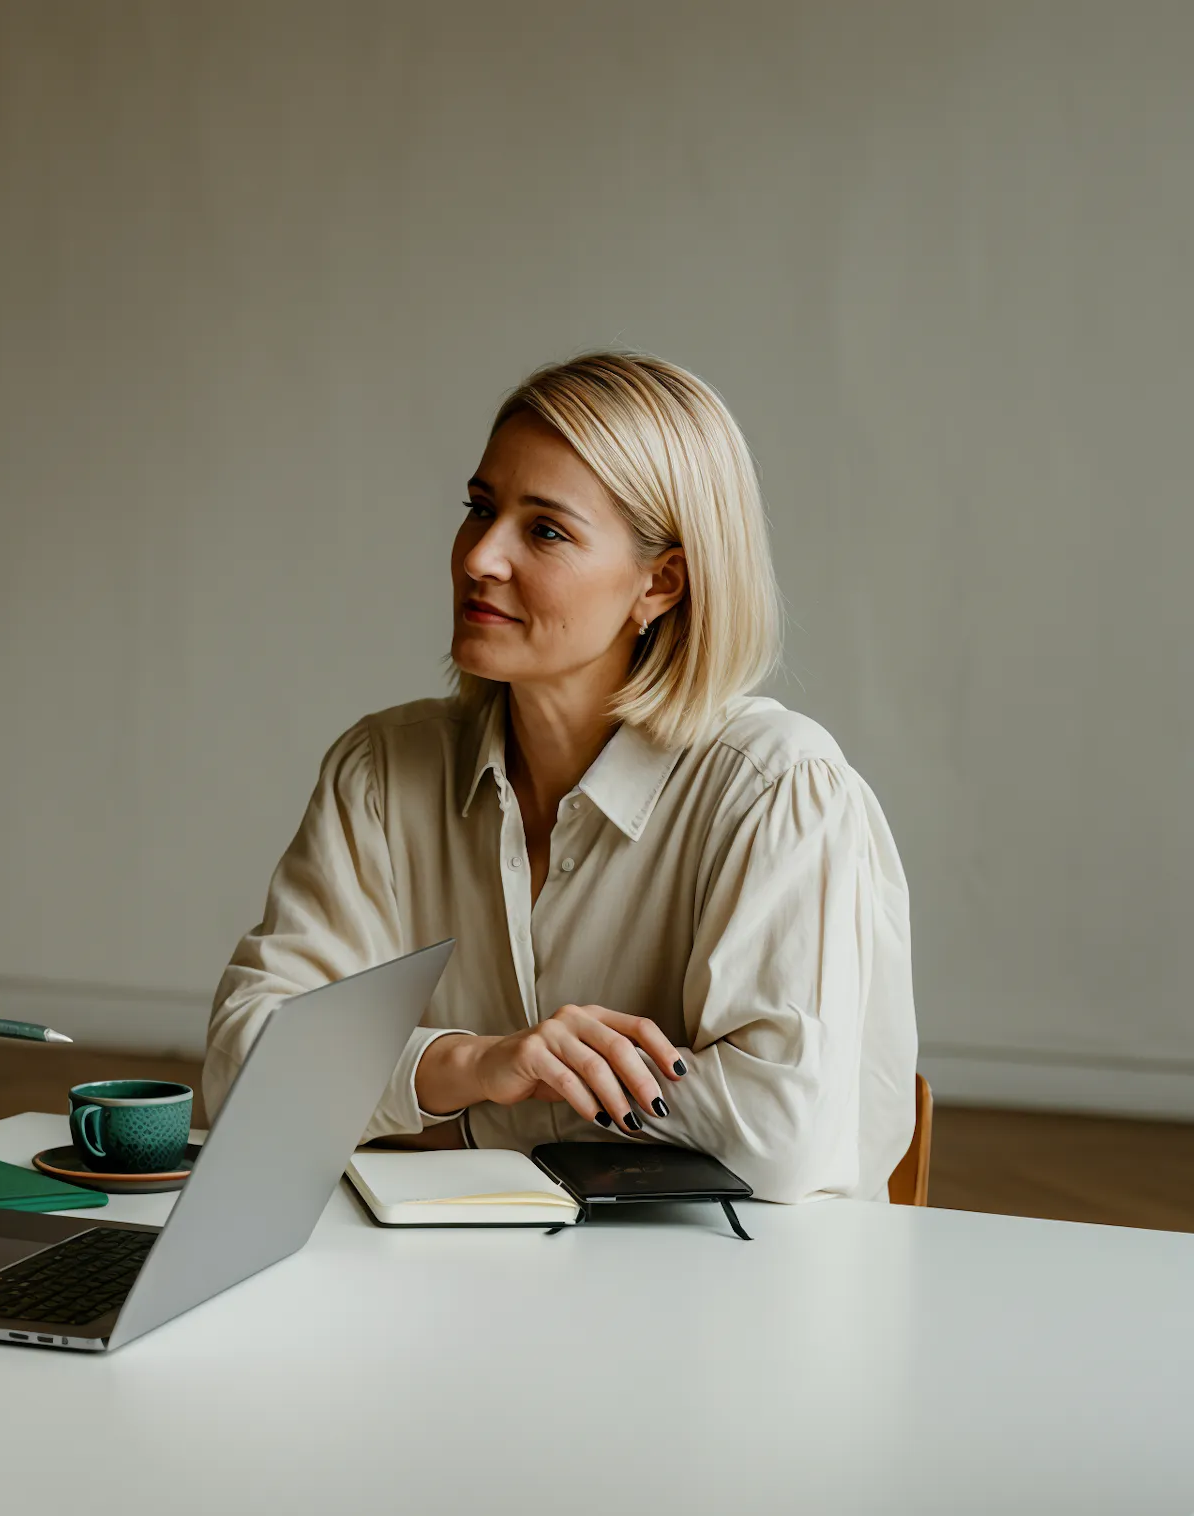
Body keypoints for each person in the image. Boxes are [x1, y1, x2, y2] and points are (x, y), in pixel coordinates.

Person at [203, 352, 915, 1203]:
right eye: (479, 509)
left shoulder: (775, 790)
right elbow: (242, 1068)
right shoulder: (383, 773)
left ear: (660, 582)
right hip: (443, 1287)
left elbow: (773, 1141)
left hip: (721, 1306)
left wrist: (463, 1115)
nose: (479, 558)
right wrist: (476, 1061)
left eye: (544, 530)